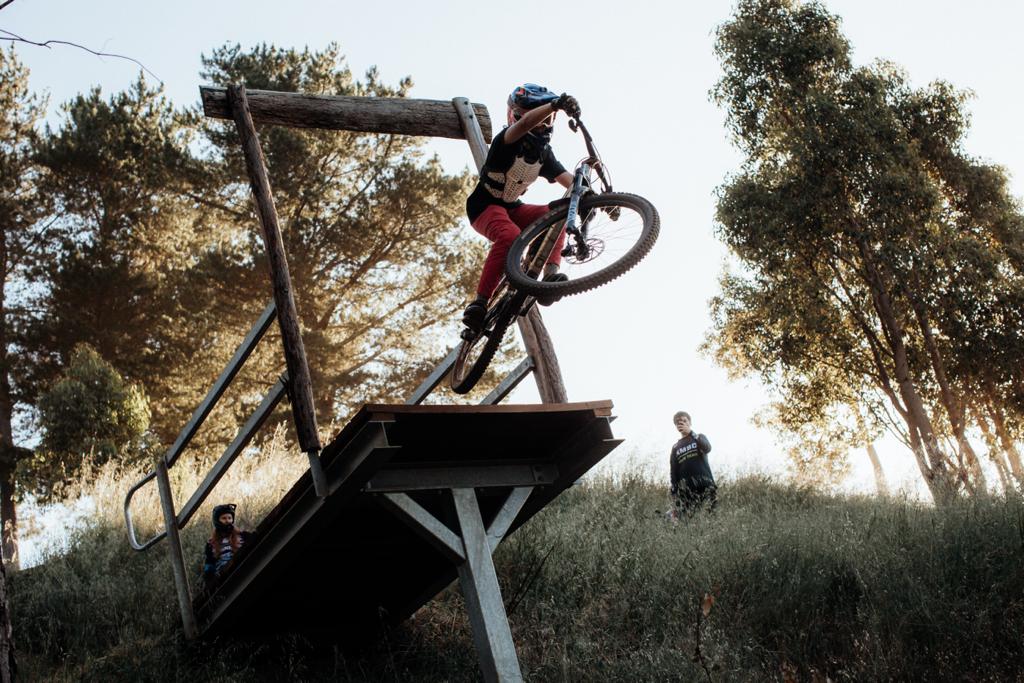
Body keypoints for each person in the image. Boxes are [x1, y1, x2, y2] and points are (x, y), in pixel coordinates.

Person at [462, 83, 582, 332]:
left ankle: (550, 276)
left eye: (547, 118)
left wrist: (600, 200)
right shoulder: (506, 141)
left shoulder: (543, 154)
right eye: (535, 116)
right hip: (484, 207)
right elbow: (525, 126)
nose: (540, 123)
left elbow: (570, 182)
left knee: (557, 213)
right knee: (509, 236)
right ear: (514, 116)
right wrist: (554, 105)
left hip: (512, 208)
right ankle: (480, 302)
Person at [669, 411, 716, 517]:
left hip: (706, 485)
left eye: (684, 421)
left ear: (690, 423)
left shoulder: (699, 437)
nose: (681, 423)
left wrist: (691, 433)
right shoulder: (675, 447)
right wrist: (674, 492)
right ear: (676, 426)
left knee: (710, 517)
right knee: (690, 519)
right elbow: (673, 472)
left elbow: (707, 448)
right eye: (678, 422)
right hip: (687, 491)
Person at [202, 503, 254, 587]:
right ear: (217, 521)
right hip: (225, 580)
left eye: (230, 518)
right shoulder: (211, 544)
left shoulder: (243, 536)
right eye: (224, 518)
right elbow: (209, 563)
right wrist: (209, 579)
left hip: (243, 572)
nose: (227, 521)